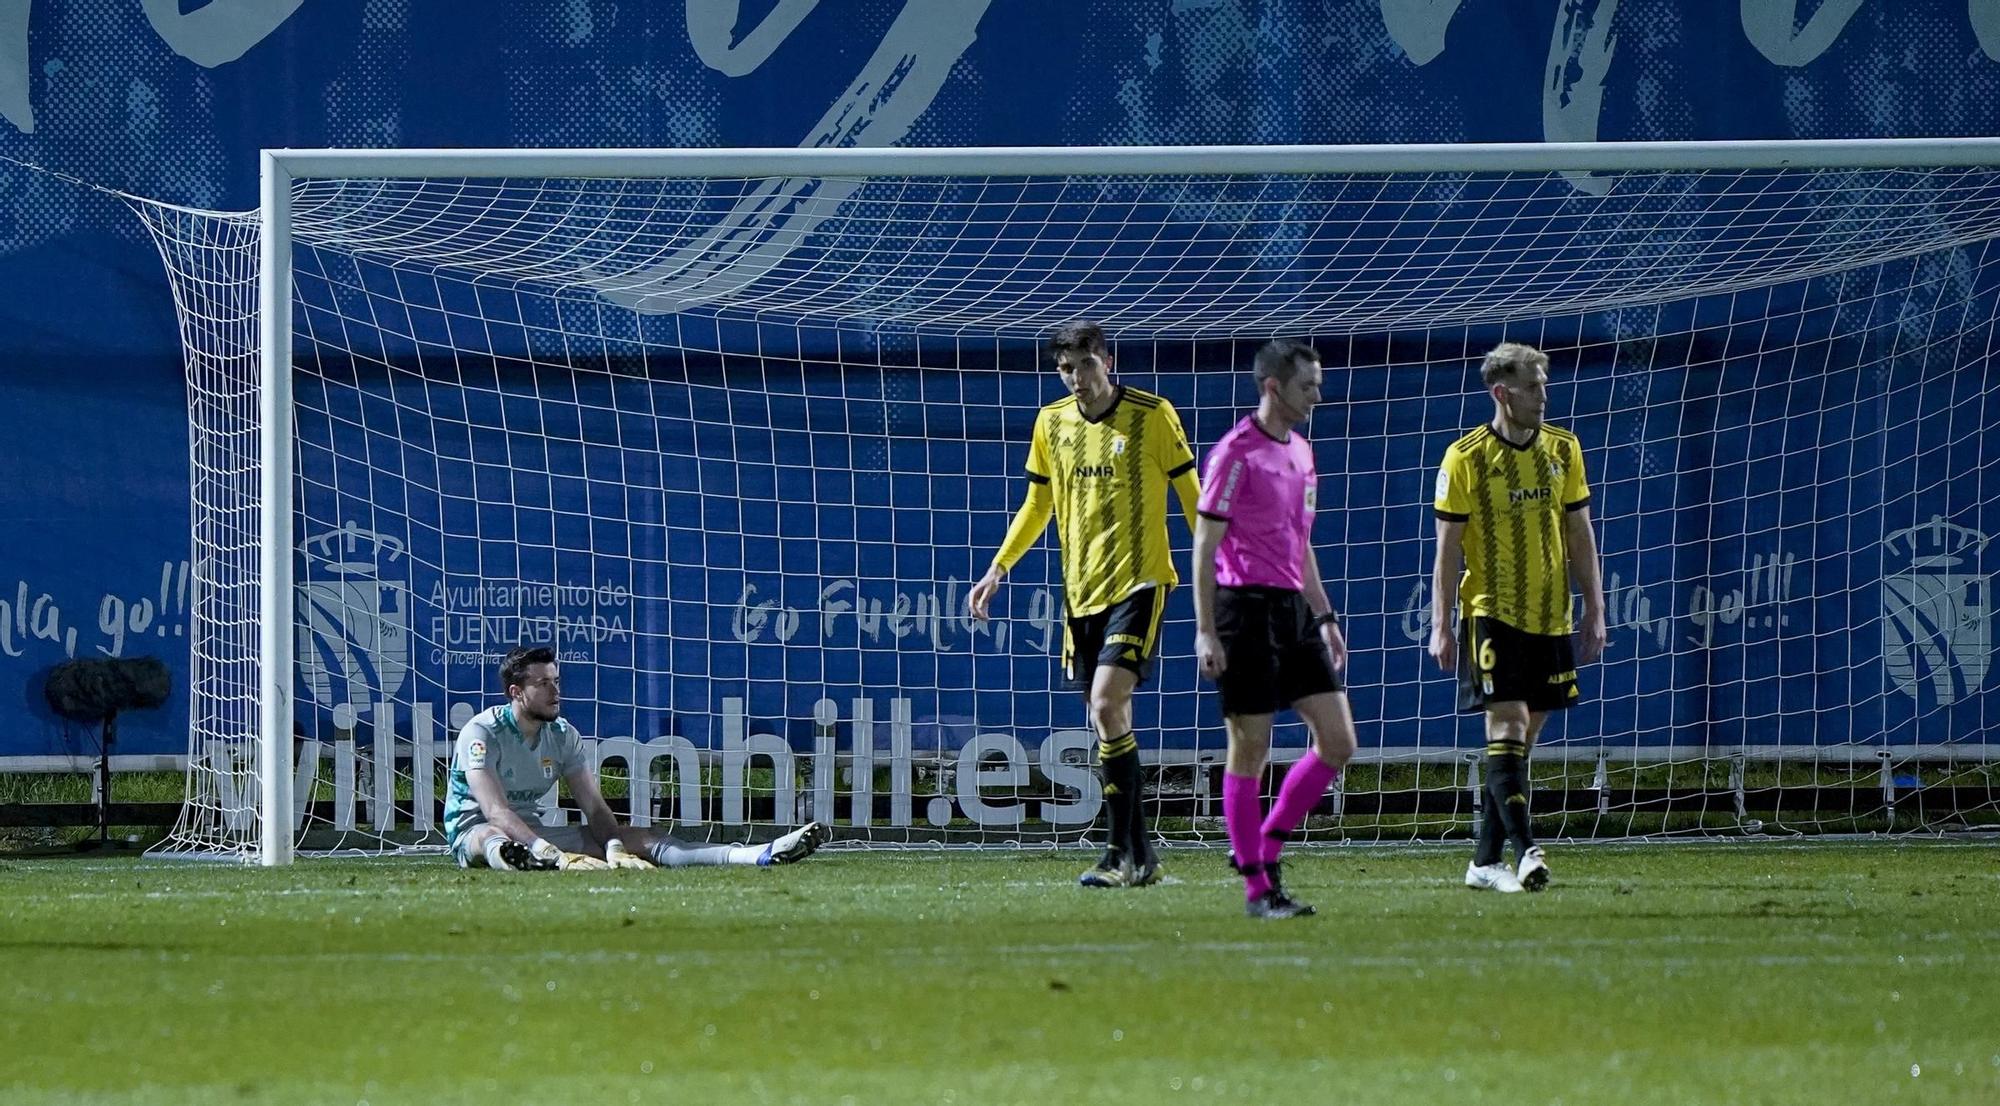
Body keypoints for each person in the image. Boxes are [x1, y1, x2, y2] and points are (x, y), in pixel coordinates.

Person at [968, 321, 1201, 888]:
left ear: (1107, 361)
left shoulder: (1153, 415)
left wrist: (1224, 576)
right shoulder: (1051, 423)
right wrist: (999, 567)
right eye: (1066, 370)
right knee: (1109, 721)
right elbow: (1036, 504)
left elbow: (1195, 501)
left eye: (1085, 366)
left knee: (1105, 703)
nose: (1076, 379)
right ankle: (1142, 858)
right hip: (1081, 593)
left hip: (1142, 584)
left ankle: (1115, 856)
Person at [1429, 342, 1606, 893]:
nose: (1544, 396)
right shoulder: (1466, 458)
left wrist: (1595, 607)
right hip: (1490, 613)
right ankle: (1528, 852)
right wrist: (1441, 622)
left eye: (1544, 384)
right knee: (1504, 728)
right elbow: (1447, 549)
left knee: (1519, 745)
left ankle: (1484, 863)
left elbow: (1578, 532)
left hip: (1551, 617)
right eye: (1533, 387)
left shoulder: (1564, 449)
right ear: (1502, 394)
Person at [1192, 339, 1358, 919]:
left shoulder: (1303, 453)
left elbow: (1300, 542)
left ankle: (1263, 847)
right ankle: (1259, 890)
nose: (1318, 393)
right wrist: (1206, 630)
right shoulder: (1235, 454)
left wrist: (1325, 615)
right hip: (1243, 610)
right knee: (1251, 747)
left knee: (1338, 742)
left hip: (1292, 611)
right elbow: (1204, 544)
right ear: (1273, 386)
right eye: (1308, 384)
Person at [446, 645, 830, 871]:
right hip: (477, 832)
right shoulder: (481, 733)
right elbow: (494, 810)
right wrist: (547, 852)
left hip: (534, 833)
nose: (554, 691)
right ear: (516, 692)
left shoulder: (563, 735)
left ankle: (757, 855)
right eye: (542, 683)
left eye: (557, 682)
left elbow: (594, 808)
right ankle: (516, 860)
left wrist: (613, 845)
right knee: (491, 836)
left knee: (641, 839)